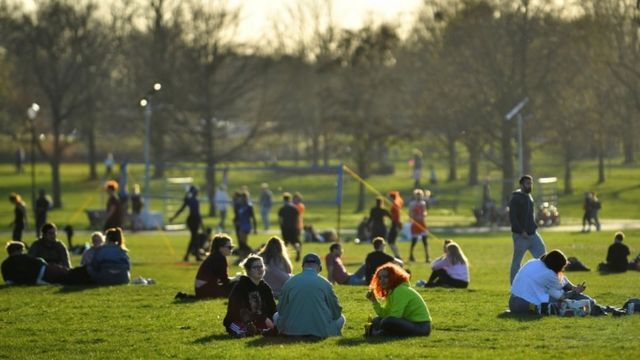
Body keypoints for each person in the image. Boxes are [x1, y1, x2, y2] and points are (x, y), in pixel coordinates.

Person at [274, 253, 345, 337]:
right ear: (319, 268)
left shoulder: (289, 282)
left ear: (303, 267)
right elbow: (336, 312)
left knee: (275, 316)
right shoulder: (325, 283)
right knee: (342, 318)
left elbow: (281, 310)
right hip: (321, 331)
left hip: (291, 330)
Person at [365, 263, 432, 337]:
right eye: (380, 278)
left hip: (421, 327)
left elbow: (395, 316)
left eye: (386, 277)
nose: (382, 280)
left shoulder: (400, 290)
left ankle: (377, 333)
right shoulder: (392, 291)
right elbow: (384, 314)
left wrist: (383, 322)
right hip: (409, 323)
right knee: (376, 320)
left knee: (387, 321)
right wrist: (374, 301)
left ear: (393, 277)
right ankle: (378, 333)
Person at [223, 255, 277, 337]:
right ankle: (247, 331)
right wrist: (263, 319)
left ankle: (259, 330)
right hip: (240, 320)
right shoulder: (241, 287)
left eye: (261, 266)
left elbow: (272, 308)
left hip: (259, 320)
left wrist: (273, 320)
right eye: (255, 267)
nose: (260, 269)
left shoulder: (265, 287)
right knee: (244, 328)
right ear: (248, 270)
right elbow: (241, 311)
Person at [508, 175, 546, 284]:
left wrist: (533, 226)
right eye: (527, 183)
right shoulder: (516, 198)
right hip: (521, 236)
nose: (530, 185)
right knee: (517, 262)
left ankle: (544, 283)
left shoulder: (529, 197)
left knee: (544, 258)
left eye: (531, 183)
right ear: (521, 185)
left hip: (533, 235)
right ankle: (514, 286)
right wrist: (521, 231)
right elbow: (513, 217)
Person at [2, 241, 67, 285]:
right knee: (62, 271)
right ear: (19, 250)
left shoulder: (4, 264)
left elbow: (8, 281)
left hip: (33, 280)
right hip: (41, 273)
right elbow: (40, 262)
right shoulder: (23, 257)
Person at [169, 185, 205, 262]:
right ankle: (189, 256)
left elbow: (181, 209)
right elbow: (197, 213)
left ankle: (195, 255)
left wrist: (173, 218)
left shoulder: (189, 200)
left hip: (191, 220)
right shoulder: (194, 200)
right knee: (194, 237)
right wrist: (202, 224)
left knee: (194, 237)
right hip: (194, 219)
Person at [194, 233, 235, 299]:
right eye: (229, 247)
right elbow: (225, 280)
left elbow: (221, 279)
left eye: (232, 247)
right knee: (236, 288)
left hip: (201, 289)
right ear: (221, 248)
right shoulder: (220, 258)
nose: (231, 250)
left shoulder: (215, 256)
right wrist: (236, 280)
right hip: (205, 290)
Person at [234, 191, 257, 261]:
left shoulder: (249, 206)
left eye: (245, 198)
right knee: (243, 242)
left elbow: (253, 217)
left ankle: (250, 252)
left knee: (241, 242)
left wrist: (255, 228)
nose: (243, 199)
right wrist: (235, 221)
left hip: (246, 225)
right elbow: (237, 215)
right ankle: (243, 256)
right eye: (242, 198)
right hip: (241, 225)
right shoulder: (239, 206)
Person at [278, 192, 301, 262]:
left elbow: (280, 220)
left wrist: (281, 228)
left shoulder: (282, 209)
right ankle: (298, 253)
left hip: (285, 229)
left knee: (285, 244)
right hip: (293, 229)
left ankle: (285, 256)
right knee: (296, 242)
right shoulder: (294, 209)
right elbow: (297, 219)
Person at [408, 189, 429, 263]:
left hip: (422, 223)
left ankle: (427, 256)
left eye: (420, 196)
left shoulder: (423, 203)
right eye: (417, 196)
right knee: (414, 240)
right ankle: (411, 255)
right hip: (416, 223)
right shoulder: (412, 204)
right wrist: (413, 217)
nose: (418, 197)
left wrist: (424, 215)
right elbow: (410, 213)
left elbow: (425, 212)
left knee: (425, 241)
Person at [387, 191, 403, 259]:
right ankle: (397, 255)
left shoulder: (394, 205)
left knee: (391, 241)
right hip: (395, 224)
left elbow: (396, 216)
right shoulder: (394, 204)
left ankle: (398, 256)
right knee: (391, 241)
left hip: (395, 224)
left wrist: (397, 223)